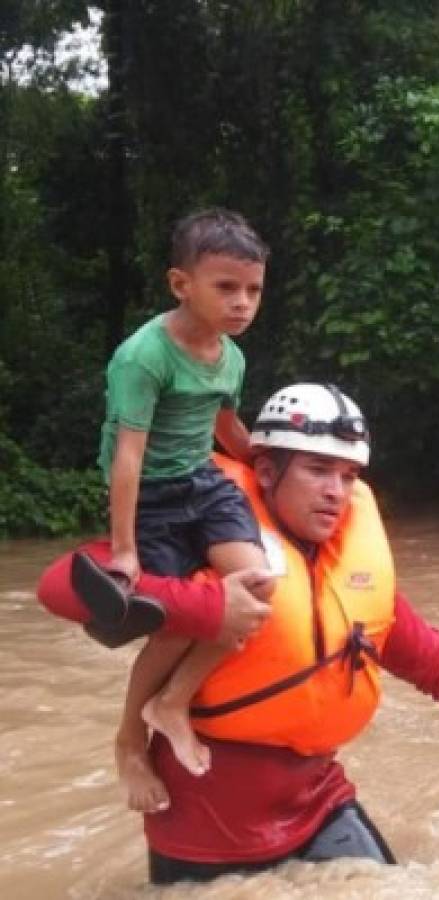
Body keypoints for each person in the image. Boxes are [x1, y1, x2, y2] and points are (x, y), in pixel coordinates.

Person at [37, 383, 439, 885]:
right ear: (265, 472)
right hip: (204, 819)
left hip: (318, 800)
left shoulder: (349, 567)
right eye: (317, 470)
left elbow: (436, 663)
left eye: (349, 476)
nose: (337, 491)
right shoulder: (203, 534)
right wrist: (208, 605)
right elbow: (58, 587)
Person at [72, 209, 277, 810]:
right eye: (227, 287)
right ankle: (128, 741)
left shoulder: (231, 357)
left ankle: (173, 702)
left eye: (254, 290)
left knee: (259, 587)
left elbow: (224, 426)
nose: (243, 303)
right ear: (180, 284)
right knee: (182, 618)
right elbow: (128, 458)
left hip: (202, 483)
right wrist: (126, 550)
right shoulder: (144, 356)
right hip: (154, 494)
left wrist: (261, 458)